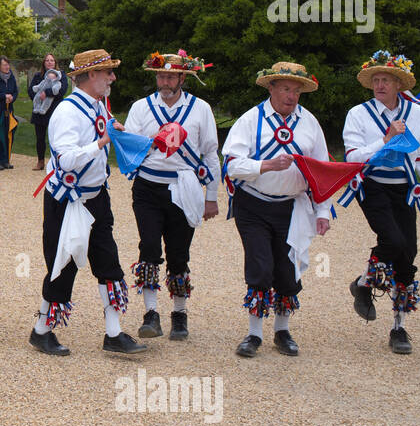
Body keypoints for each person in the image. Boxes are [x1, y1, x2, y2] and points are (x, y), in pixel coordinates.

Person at [28, 49, 142, 357]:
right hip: (67, 199)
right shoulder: (67, 112)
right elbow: (65, 159)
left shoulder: (97, 105)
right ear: (91, 76)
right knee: (62, 264)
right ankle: (41, 331)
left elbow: (103, 125)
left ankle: (114, 333)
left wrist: (115, 129)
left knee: (108, 261)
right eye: (108, 72)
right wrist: (102, 143)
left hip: (96, 196)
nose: (113, 78)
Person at [221, 61, 332, 358]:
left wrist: (323, 212)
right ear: (271, 87)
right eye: (285, 88)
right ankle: (254, 334)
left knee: (287, 269)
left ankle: (282, 331)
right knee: (260, 265)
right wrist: (267, 165)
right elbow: (232, 165)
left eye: (297, 90)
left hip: (292, 207)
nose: (291, 96)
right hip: (253, 205)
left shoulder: (309, 123)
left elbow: (323, 170)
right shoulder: (250, 120)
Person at [342, 51, 420, 354]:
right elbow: (352, 158)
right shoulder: (358, 114)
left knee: (407, 253)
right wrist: (385, 139)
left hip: (405, 188)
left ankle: (397, 326)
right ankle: (364, 285)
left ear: (399, 84)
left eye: (385, 79)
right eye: (375, 80)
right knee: (392, 240)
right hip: (371, 185)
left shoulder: (415, 113)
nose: (379, 85)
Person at [124, 50, 220, 341]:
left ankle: (179, 315)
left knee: (179, 254)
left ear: (182, 77)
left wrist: (212, 196)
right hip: (148, 187)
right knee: (149, 246)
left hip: (185, 187)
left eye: (170, 76)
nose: (164, 81)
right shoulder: (141, 108)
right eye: (160, 75)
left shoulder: (200, 108)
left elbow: (211, 152)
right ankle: (151, 314)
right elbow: (129, 146)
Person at [28, 54, 67, 169]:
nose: (50, 62)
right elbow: (31, 90)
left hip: (55, 111)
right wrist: (39, 97)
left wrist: (47, 92)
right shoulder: (38, 76)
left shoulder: (61, 76)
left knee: (56, 138)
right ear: (44, 63)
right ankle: (40, 161)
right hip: (39, 111)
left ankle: (56, 162)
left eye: (52, 60)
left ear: (55, 62)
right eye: (47, 60)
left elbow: (62, 91)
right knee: (40, 138)